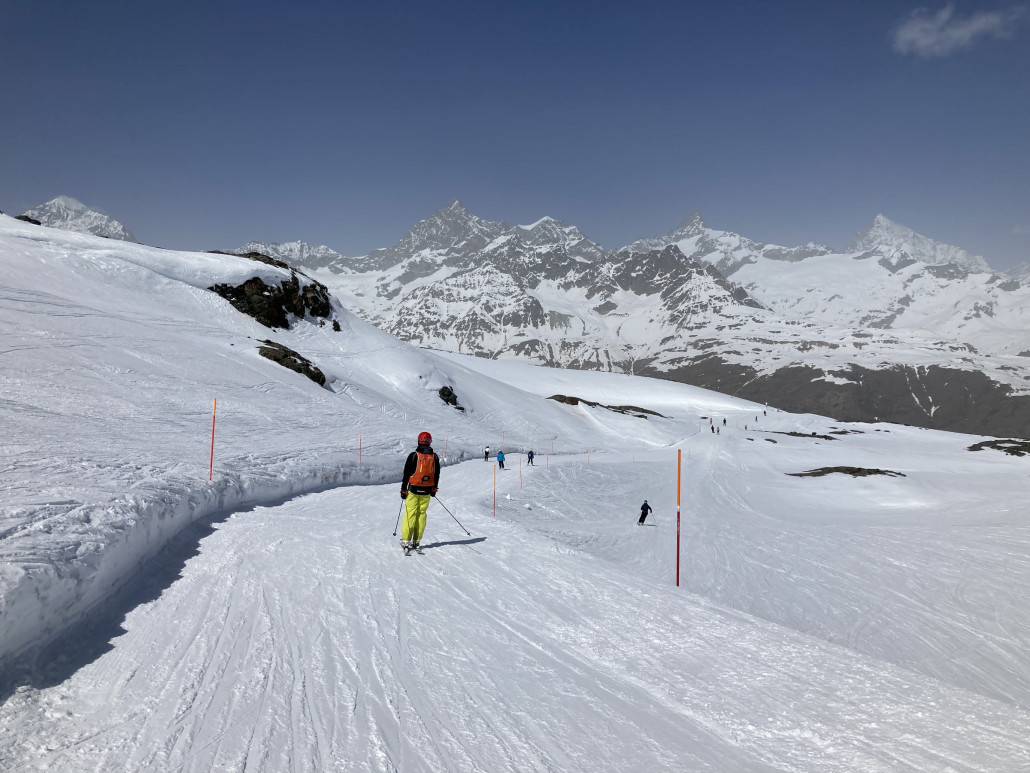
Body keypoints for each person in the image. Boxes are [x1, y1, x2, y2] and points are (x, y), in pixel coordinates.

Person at [400, 431, 440, 554]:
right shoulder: (435, 456)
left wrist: (403, 489)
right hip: (427, 491)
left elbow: (406, 474)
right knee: (421, 514)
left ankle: (406, 540)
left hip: (413, 490)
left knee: (410, 514)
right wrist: (434, 488)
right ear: (429, 442)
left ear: (419, 441)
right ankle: (416, 541)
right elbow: (436, 474)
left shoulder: (413, 455)